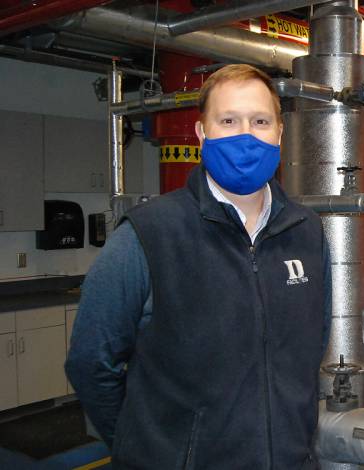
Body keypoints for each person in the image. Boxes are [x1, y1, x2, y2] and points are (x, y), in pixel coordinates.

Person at [66, 64, 331, 469]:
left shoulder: (307, 233)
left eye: (260, 121)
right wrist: (145, 448)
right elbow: (90, 360)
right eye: (228, 121)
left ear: (279, 132)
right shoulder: (148, 234)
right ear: (201, 134)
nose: (246, 135)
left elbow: (307, 356)